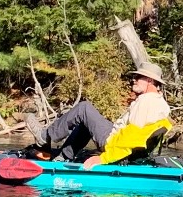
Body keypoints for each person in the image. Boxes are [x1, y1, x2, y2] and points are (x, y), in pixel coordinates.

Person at [27, 67, 172, 165]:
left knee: (84, 108)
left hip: (115, 143)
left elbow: (131, 138)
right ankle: (63, 156)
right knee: (88, 120)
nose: (133, 79)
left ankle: (44, 136)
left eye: (138, 77)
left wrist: (103, 159)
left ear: (150, 81)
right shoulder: (160, 103)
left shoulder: (146, 102)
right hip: (119, 139)